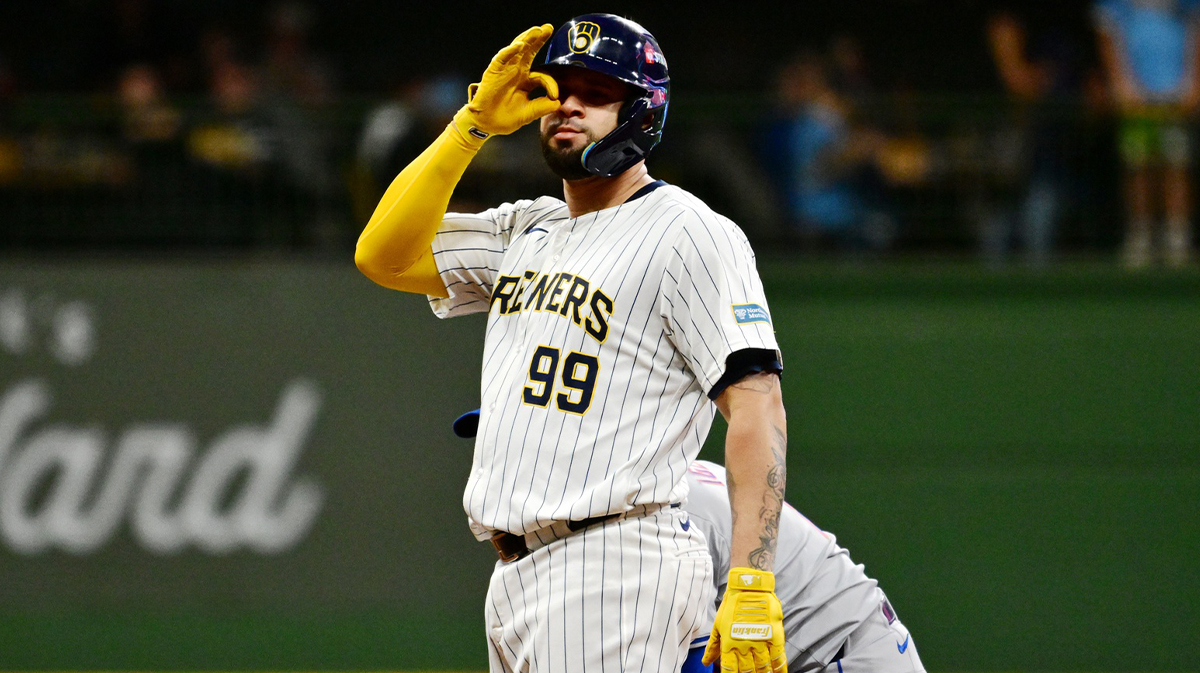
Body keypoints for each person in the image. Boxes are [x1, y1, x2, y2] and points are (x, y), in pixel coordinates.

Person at [356, 15, 789, 673]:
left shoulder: (690, 233)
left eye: (595, 91)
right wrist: (471, 123)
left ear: (643, 110)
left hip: (612, 562)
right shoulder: (527, 228)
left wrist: (753, 581)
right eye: (559, 88)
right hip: (518, 574)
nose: (568, 104)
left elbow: (757, 405)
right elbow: (381, 255)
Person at [451, 414, 924, 673]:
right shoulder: (593, 518)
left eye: (523, 438)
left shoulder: (643, 512)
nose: (503, 454)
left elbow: (697, 664)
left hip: (839, 655)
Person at [1093, 0, 1200, 268]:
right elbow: (1106, 32)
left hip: (1175, 95)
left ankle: (1177, 237)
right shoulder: (1116, 5)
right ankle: (1140, 234)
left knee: (1176, 167)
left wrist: (1194, 84)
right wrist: (1120, 84)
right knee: (1138, 167)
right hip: (1135, 96)